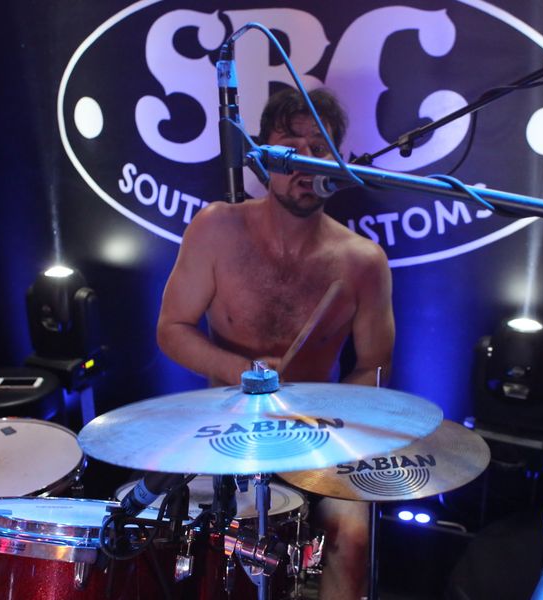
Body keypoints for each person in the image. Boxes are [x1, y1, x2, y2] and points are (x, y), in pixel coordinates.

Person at [156, 87, 395, 600]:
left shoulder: (363, 261)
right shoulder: (215, 229)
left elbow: (373, 366)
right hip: (224, 428)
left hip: (314, 435)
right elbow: (172, 328)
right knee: (191, 539)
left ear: (337, 162)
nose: (305, 162)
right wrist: (242, 372)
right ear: (263, 154)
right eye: (290, 146)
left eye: (319, 148)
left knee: (353, 535)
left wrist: (331, 420)